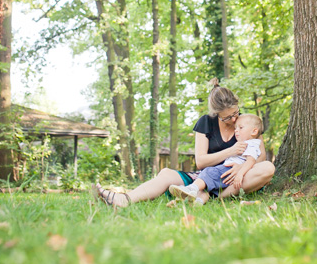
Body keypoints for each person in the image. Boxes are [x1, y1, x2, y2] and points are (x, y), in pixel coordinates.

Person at [93, 78, 276, 208]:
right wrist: (230, 152)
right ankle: (125, 199)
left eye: (235, 113)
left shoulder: (246, 121)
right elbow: (201, 161)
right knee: (166, 173)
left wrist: (241, 169)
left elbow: (261, 157)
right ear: (216, 114)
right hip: (205, 175)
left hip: (237, 178)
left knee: (268, 168)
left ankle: (210, 197)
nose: (234, 119)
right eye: (227, 117)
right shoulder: (206, 122)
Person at [169, 113, 263, 205]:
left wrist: (240, 174)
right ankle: (198, 202)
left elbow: (251, 161)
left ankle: (192, 188)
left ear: (254, 131)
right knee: (207, 190)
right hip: (228, 171)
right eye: (235, 128)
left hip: (228, 170)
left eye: (240, 128)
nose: (236, 131)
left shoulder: (251, 144)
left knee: (208, 172)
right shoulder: (247, 143)